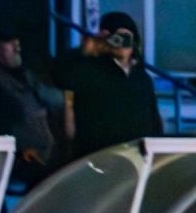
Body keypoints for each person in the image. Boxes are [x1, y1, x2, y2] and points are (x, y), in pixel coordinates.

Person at [68, 12, 162, 159]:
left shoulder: (142, 78)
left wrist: (155, 151)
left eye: (127, 38)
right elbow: (61, 77)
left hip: (136, 159)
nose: (122, 43)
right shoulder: (89, 72)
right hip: (99, 158)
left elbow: (154, 121)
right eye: (117, 38)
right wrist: (84, 51)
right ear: (107, 40)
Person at [0, 28, 66, 185]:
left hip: (46, 155)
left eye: (17, 41)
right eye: (9, 42)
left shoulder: (29, 76)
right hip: (23, 159)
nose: (16, 46)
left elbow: (58, 101)